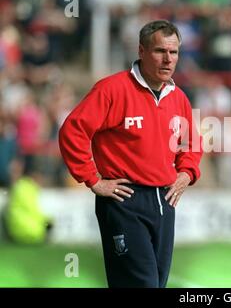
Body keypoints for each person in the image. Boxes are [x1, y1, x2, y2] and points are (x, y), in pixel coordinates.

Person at [58, 20, 203, 288]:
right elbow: (73, 130)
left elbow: (191, 142)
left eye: (174, 52)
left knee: (156, 284)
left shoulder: (178, 97)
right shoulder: (112, 89)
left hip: (164, 201)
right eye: (160, 51)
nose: (168, 59)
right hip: (124, 200)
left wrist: (187, 172)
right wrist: (92, 179)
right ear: (141, 51)